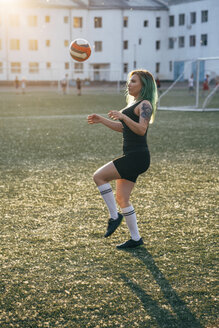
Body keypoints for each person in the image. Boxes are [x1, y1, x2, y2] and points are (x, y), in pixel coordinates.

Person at [87, 69, 158, 249]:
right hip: (134, 157)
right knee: (122, 198)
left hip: (137, 157)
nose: (129, 84)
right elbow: (124, 128)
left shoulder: (145, 104)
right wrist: (102, 120)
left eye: (134, 81)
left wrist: (124, 116)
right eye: (129, 81)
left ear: (144, 85)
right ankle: (135, 239)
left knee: (99, 176)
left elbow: (141, 129)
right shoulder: (135, 103)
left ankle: (114, 216)